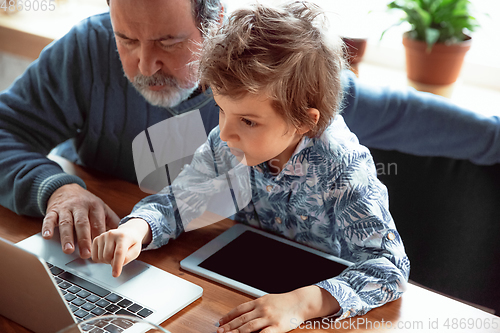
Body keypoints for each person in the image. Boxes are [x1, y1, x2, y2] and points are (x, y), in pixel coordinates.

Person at [0, 0, 498, 259]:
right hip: (123, 256)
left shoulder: (275, 78)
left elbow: (412, 116)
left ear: (213, 23)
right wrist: (57, 189)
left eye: (170, 42)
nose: (144, 62)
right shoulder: (85, 49)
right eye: (126, 38)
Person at [91, 2, 409, 332]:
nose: (225, 133)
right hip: (245, 282)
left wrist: (303, 304)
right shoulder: (228, 140)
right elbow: (179, 200)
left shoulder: (342, 166)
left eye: (247, 121)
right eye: (221, 109)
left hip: (314, 312)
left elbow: (388, 268)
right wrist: (137, 229)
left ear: (303, 121)